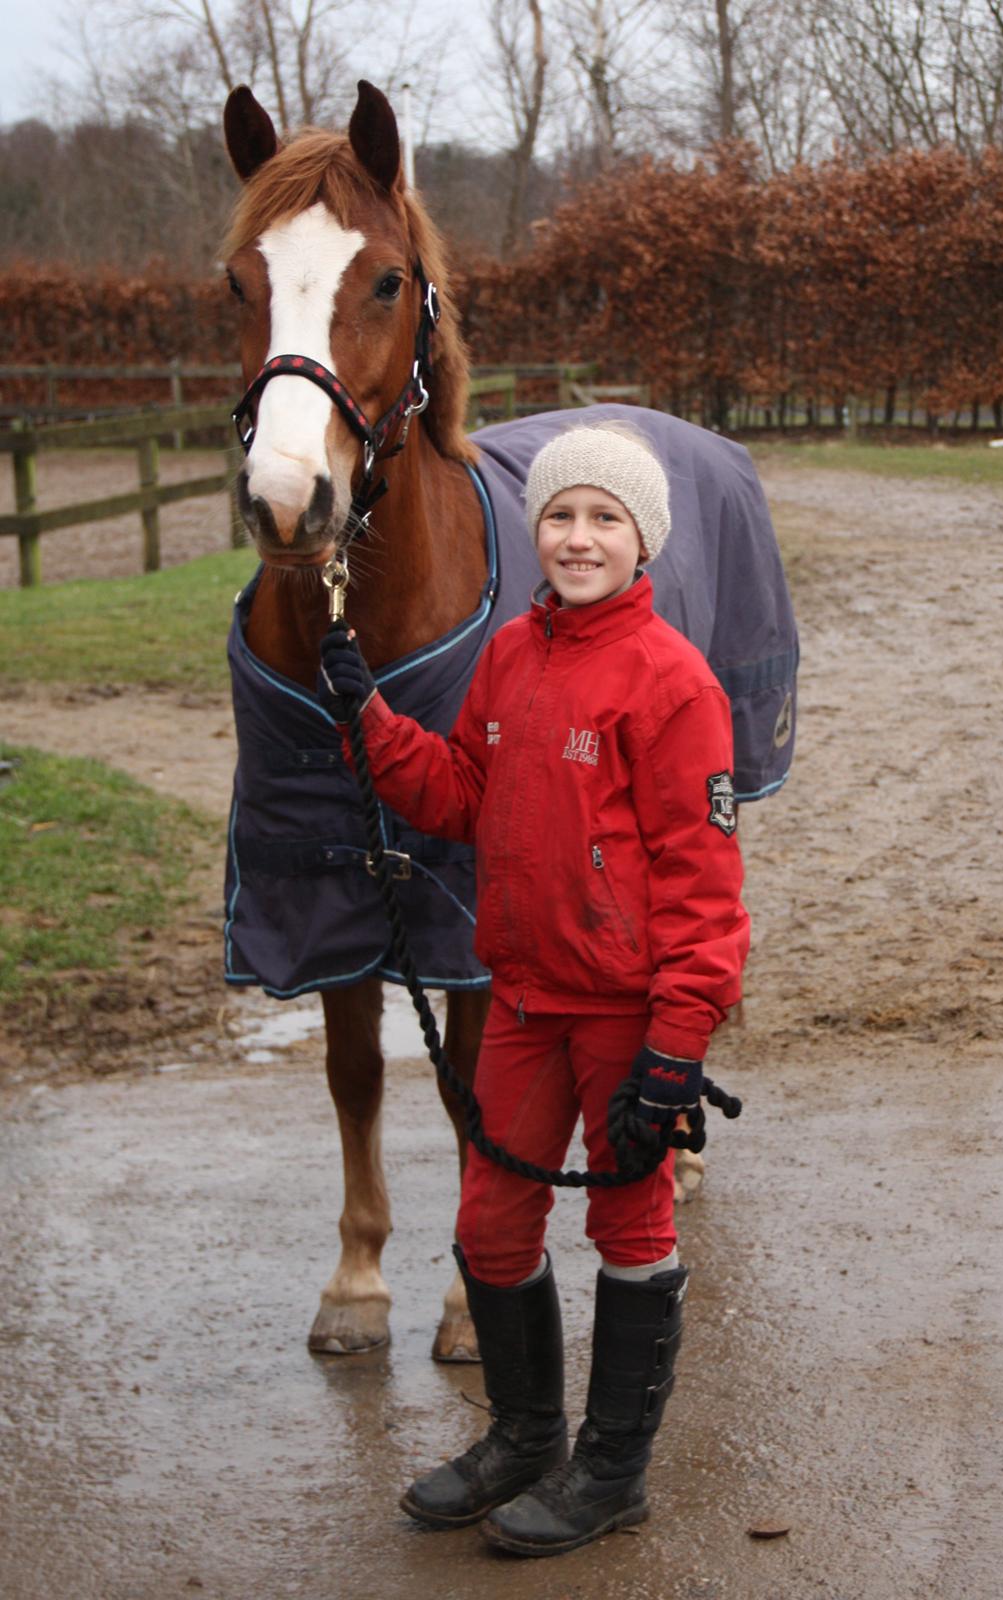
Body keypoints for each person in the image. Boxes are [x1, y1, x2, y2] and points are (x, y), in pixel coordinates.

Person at [318, 420, 750, 1558]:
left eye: (605, 518)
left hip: (624, 1012)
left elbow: (707, 889)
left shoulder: (674, 683)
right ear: (535, 528)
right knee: (491, 1223)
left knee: (628, 1219)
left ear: (642, 539)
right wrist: (369, 718)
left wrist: (675, 1047)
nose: (578, 535)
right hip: (519, 998)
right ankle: (524, 1436)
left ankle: (613, 1469)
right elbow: (462, 788)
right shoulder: (510, 654)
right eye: (560, 515)